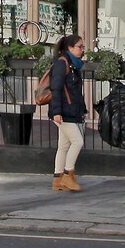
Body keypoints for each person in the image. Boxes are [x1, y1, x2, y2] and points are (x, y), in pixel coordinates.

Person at [47, 34, 89, 193]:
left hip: (70, 110)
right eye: (80, 47)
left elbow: (76, 91)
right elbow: (55, 89)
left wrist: (82, 109)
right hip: (63, 112)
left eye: (83, 47)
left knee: (63, 146)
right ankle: (67, 174)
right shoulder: (62, 64)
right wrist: (56, 111)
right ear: (70, 48)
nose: (82, 50)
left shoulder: (73, 65)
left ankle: (57, 180)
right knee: (77, 141)